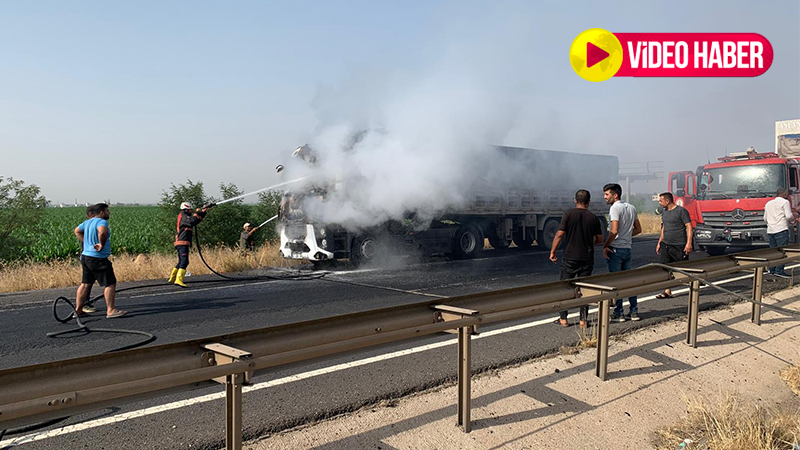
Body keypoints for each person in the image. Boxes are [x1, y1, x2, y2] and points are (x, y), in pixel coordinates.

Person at [550, 190, 604, 328]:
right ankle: (583, 320)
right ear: (588, 202)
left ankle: (563, 319)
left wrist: (553, 251)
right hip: (587, 257)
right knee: (585, 289)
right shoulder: (593, 217)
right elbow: (599, 238)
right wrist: (589, 243)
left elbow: (559, 234)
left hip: (570, 257)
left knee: (565, 288)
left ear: (575, 200)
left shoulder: (568, 214)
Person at [73, 203, 126, 318]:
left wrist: (86, 243)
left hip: (86, 257)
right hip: (98, 257)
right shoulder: (102, 222)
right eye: (107, 211)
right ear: (101, 212)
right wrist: (101, 243)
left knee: (85, 284)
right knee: (110, 283)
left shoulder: (87, 222)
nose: (109, 213)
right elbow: (102, 232)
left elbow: (77, 231)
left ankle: (78, 310)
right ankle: (111, 310)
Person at [602, 183, 642, 322]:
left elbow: (614, 231)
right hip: (627, 248)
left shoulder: (614, 208)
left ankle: (619, 312)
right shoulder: (631, 207)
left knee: (616, 282)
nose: (605, 197)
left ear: (615, 195)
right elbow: (638, 229)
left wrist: (606, 245)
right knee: (629, 281)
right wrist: (627, 237)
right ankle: (634, 311)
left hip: (615, 249)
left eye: (607, 194)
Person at [655, 192, 693, 298]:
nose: (659, 203)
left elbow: (689, 227)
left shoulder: (681, 211)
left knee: (683, 269)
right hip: (666, 244)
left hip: (679, 245)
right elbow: (664, 228)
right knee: (665, 268)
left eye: (661, 201)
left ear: (667, 201)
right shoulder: (664, 212)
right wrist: (659, 242)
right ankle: (667, 291)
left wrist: (689, 243)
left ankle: (694, 286)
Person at [168, 202, 210, 288]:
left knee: (181, 261)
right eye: (190, 209)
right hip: (182, 242)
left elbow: (196, 220)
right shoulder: (184, 216)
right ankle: (178, 280)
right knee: (185, 261)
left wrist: (203, 212)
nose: (191, 210)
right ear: (186, 209)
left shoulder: (185, 216)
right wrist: (198, 212)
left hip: (183, 242)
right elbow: (192, 220)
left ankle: (173, 278)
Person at [764, 188, 798, 278]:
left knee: (773, 251)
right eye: (786, 193)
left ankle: (772, 270)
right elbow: (788, 216)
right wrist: (793, 220)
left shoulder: (768, 203)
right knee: (782, 251)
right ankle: (779, 270)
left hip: (770, 230)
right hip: (781, 229)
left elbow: (765, 218)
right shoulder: (785, 202)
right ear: (784, 194)